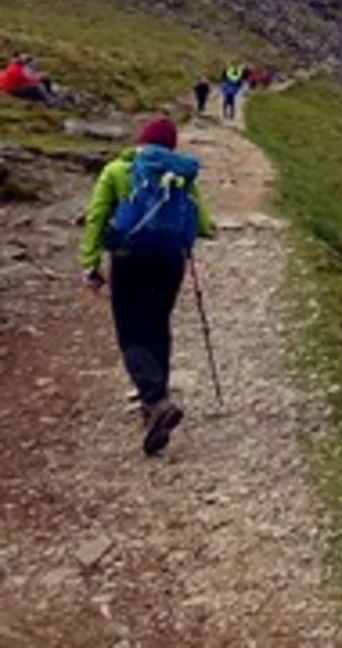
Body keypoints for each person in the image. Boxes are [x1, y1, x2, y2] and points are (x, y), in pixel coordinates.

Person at [80, 116, 216, 456]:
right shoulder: (182, 175)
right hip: (170, 262)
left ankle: (155, 401)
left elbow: (96, 216)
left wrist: (90, 262)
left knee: (131, 331)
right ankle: (157, 400)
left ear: (140, 141)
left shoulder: (117, 171)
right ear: (170, 145)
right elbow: (205, 225)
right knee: (157, 325)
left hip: (129, 258)